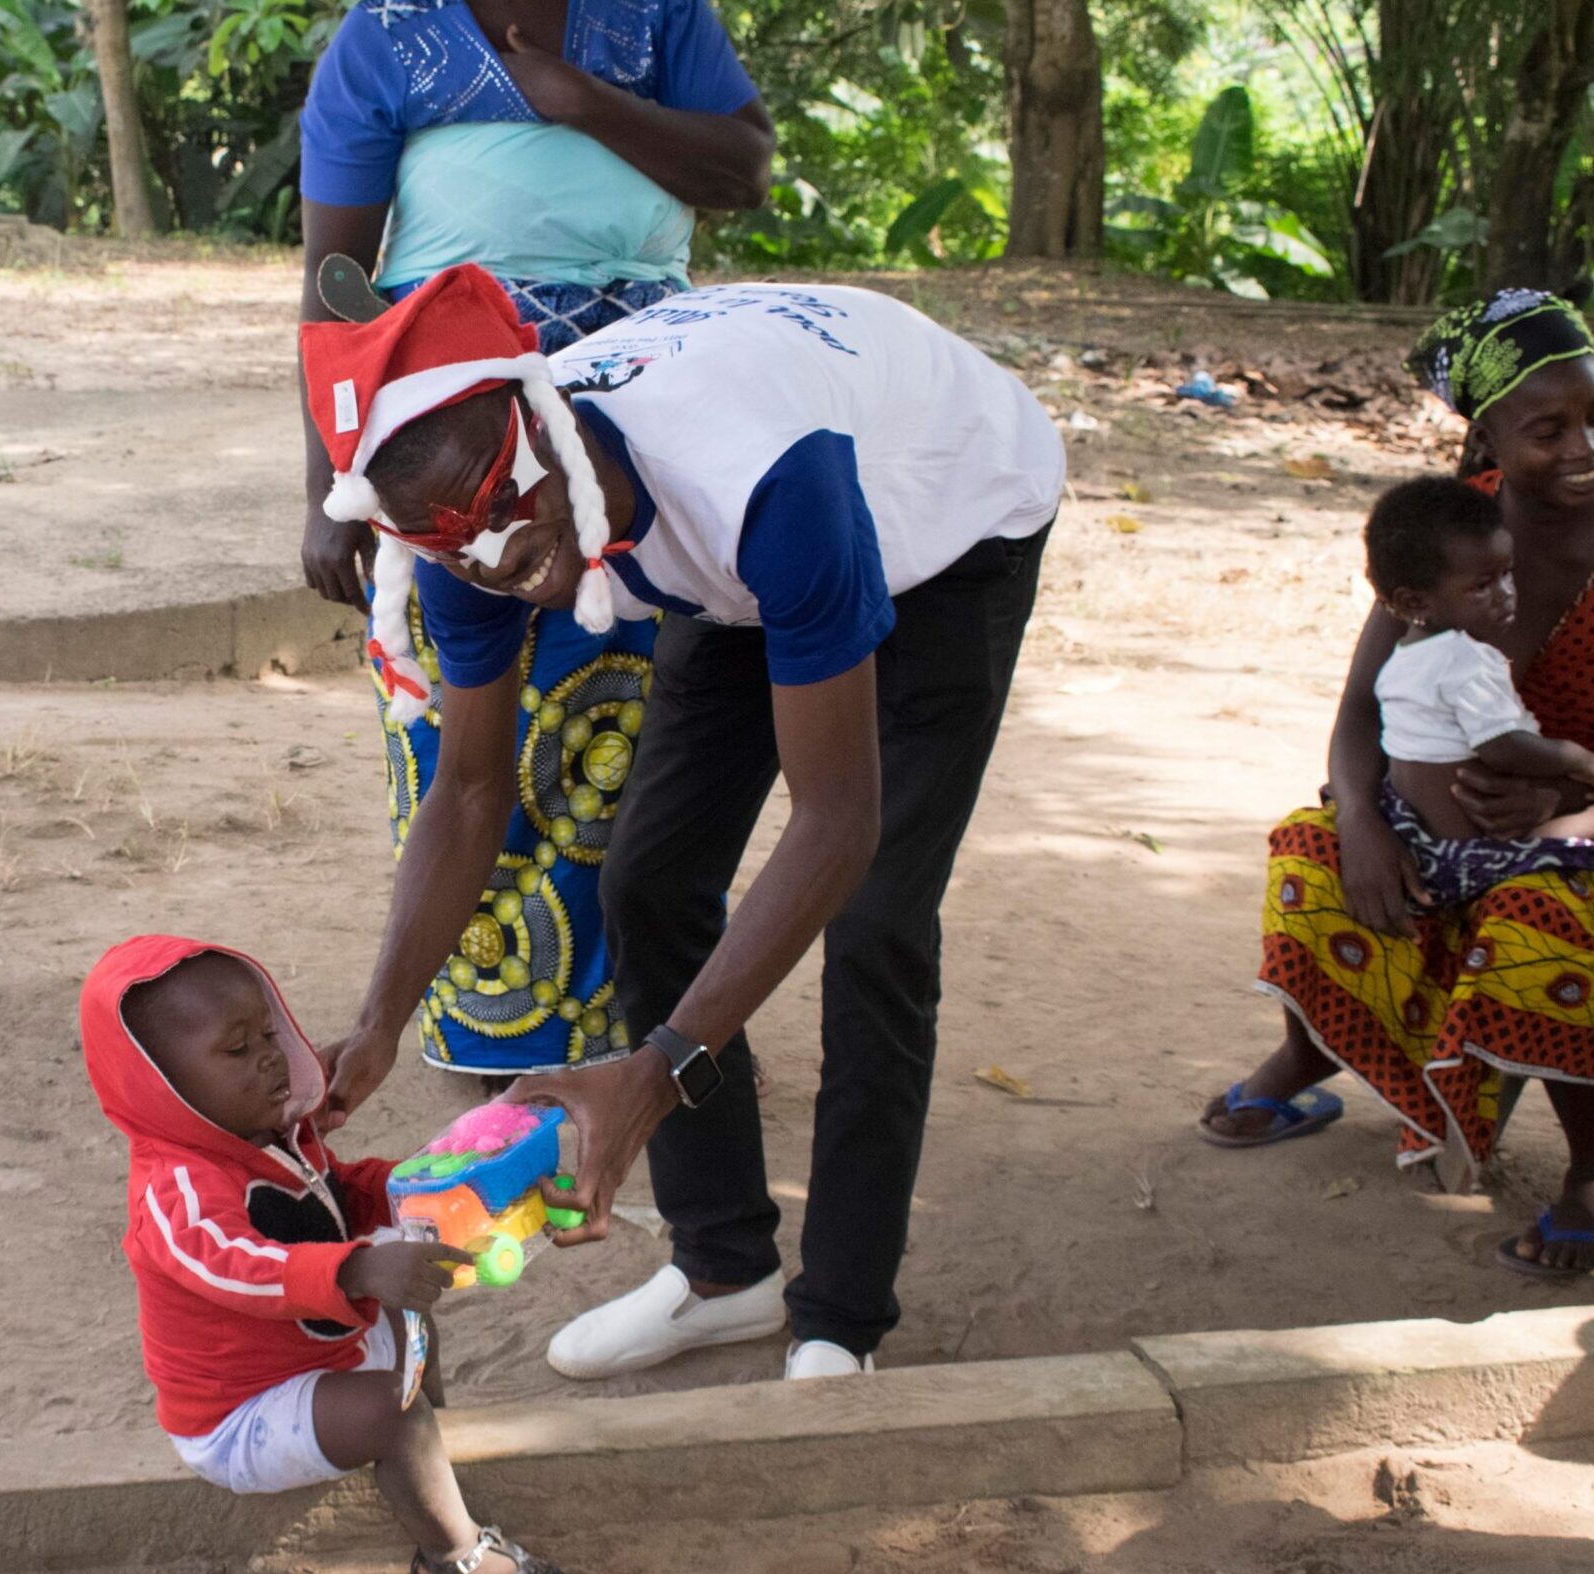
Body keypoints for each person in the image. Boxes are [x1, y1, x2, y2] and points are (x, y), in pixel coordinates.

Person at [304, 264, 1062, 1379]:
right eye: (447, 539)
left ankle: (839, 1320)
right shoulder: (459, 522)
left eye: (504, 508)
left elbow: (837, 820)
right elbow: (469, 790)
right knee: (646, 884)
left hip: (948, 513)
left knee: (876, 918)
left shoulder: (755, 479)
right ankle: (725, 1272)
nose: (498, 559)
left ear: (542, 420)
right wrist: (377, 1022)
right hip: (731, 551)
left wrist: (652, 1074)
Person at [296, 0, 774, 1084]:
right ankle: (490, 1025)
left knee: (632, 737)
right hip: (443, 442)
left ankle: (648, 1031)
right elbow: (331, 289)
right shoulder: (385, 39)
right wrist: (328, 484)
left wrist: (586, 103)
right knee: (465, 743)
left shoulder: (655, 21)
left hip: (634, 430)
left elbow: (742, 169)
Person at [1200, 288, 1594, 1281]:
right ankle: (1310, 1054)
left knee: (1546, 920)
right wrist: (1367, 818)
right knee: (1313, 851)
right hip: (1442, 824)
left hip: (1582, 815)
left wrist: (1565, 800)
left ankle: (1592, 1170)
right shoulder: (1446, 531)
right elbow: (1356, 719)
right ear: (1490, 433)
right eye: (1548, 429)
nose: (1583, 445)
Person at [79, 935, 562, 1574]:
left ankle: (424, 1458)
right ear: (160, 1084)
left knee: (412, 1318)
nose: (270, 1059)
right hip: (242, 1411)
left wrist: (444, 1189)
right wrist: (358, 1267)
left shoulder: (271, 1137)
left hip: (321, 1354)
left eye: (269, 1035)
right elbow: (234, 1265)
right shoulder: (177, 1189)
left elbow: (343, 1192)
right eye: (236, 1049)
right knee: (392, 1412)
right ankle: (456, 1553)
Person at [1363, 476, 1594, 905]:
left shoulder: (1404, 658)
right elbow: (1503, 749)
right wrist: (1580, 760)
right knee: (1583, 831)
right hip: (1471, 858)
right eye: (1483, 585)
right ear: (1415, 603)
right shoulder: (1464, 661)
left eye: (1507, 575)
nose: (1506, 595)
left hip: (1418, 842)